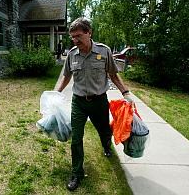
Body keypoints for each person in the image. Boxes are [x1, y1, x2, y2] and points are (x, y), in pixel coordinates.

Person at [56, 17, 133, 191]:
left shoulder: (104, 51)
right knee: (76, 138)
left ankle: (107, 146)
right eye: (72, 37)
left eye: (78, 36)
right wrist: (55, 94)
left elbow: (113, 75)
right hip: (79, 102)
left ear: (89, 33)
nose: (75, 40)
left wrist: (125, 92)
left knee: (104, 131)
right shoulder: (72, 54)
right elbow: (66, 76)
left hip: (99, 101)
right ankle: (77, 172)